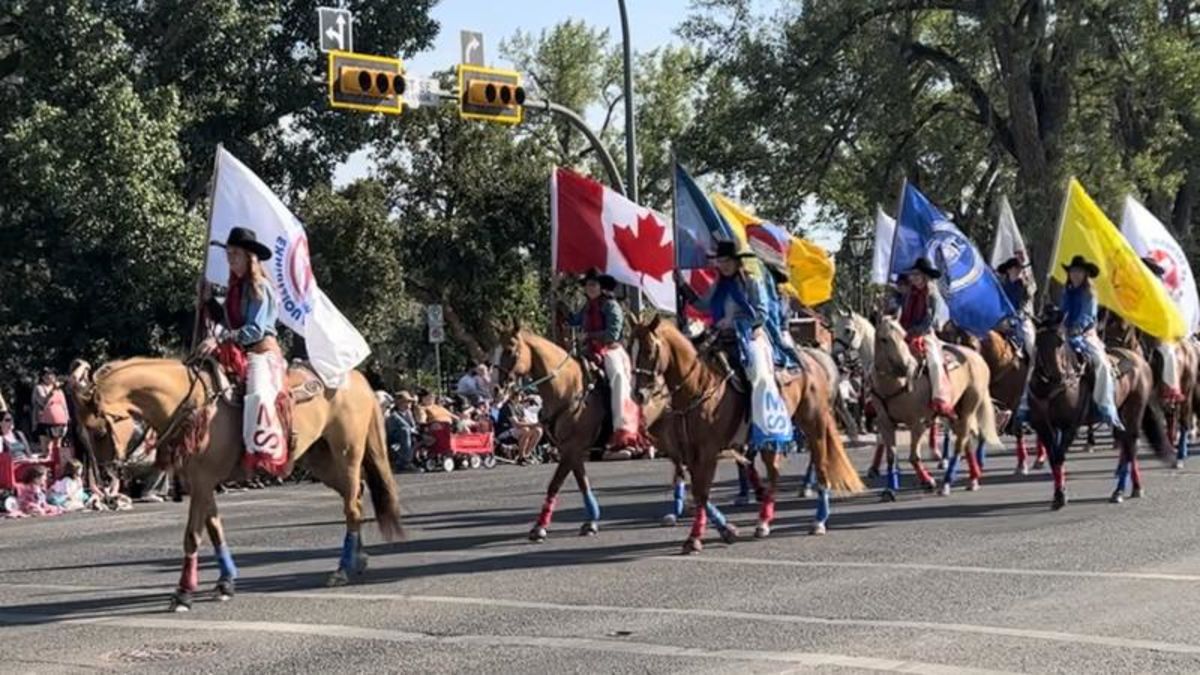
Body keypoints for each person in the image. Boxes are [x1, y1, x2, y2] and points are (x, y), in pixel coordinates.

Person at [678, 241, 795, 453]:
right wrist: (683, 286)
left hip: (750, 336)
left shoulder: (751, 282)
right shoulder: (719, 284)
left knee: (758, 375)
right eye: (720, 261)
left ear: (736, 261)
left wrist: (735, 322)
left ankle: (765, 425)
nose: (722, 265)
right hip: (721, 337)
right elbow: (703, 305)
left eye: (726, 261)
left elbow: (761, 313)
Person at [199, 227, 288, 476]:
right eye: (228, 253)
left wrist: (220, 340)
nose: (230, 258)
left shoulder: (260, 288)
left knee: (258, 395)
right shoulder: (235, 290)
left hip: (261, 352)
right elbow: (228, 322)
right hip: (236, 352)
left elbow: (256, 329)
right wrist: (208, 301)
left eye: (235, 253)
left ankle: (260, 452)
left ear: (249, 257)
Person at [568, 269, 642, 451]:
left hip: (611, 350)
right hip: (589, 350)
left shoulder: (611, 306)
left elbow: (612, 333)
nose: (590, 288)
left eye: (593, 284)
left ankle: (622, 429)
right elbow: (575, 321)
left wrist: (590, 335)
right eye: (587, 285)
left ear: (602, 287)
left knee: (617, 377)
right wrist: (565, 313)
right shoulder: (587, 307)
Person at [1061, 255, 1124, 429]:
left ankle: (1106, 407)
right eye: (1073, 272)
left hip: (1086, 335)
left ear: (1085, 275)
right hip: (1065, 334)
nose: (1075, 275)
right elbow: (1063, 312)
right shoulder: (1066, 292)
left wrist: (1076, 329)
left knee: (1102, 364)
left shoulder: (1090, 294)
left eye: (1079, 272)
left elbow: (1086, 317)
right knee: (1041, 355)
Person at [897, 257, 955, 418]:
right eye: (912, 275)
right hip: (905, 333)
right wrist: (900, 329)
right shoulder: (909, 294)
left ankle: (940, 399)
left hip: (925, 334)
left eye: (917, 275)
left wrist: (916, 332)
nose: (913, 278)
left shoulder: (932, 295)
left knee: (935, 363)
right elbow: (903, 314)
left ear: (925, 276)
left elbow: (929, 319)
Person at [1140, 257, 1185, 403]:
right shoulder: (1137, 289)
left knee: (1167, 352)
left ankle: (1170, 390)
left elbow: (1165, 317)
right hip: (1138, 331)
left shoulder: (1161, 293)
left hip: (1159, 332)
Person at [997, 256, 1037, 361]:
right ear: (1009, 270)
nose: (1019, 270)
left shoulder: (1024, 285)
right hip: (1003, 318)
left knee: (1030, 341)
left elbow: (1028, 298)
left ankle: (1034, 364)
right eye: (1016, 268)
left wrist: (1027, 285)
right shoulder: (1002, 286)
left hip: (1020, 318)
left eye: (1020, 268)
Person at [32, 369, 69, 456]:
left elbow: (64, 405)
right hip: (44, 422)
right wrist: (52, 391)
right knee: (47, 449)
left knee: (58, 448)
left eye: (52, 375)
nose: (50, 377)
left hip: (60, 422)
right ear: (43, 377)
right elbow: (43, 402)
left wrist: (67, 420)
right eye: (48, 375)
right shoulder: (39, 388)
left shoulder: (59, 391)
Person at [388, 391, 418, 471]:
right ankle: (406, 462)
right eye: (406, 402)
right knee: (405, 431)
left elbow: (413, 426)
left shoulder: (409, 413)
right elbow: (404, 426)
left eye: (409, 402)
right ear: (399, 403)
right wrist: (412, 430)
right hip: (394, 436)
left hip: (408, 434)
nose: (408, 405)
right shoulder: (393, 415)